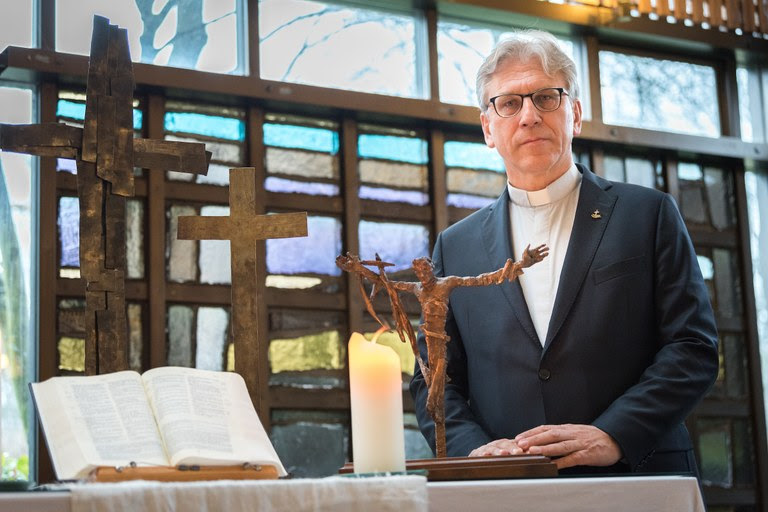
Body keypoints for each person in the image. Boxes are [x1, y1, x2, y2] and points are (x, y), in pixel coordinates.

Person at [409, 29, 719, 475]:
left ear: (574, 114)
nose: (529, 116)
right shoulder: (455, 247)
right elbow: (433, 377)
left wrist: (615, 433)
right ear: (488, 129)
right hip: (508, 488)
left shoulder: (648, 214)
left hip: (638, 476)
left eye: (545, 97)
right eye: (509, 103)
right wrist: (474, 450)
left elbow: (692, 346)